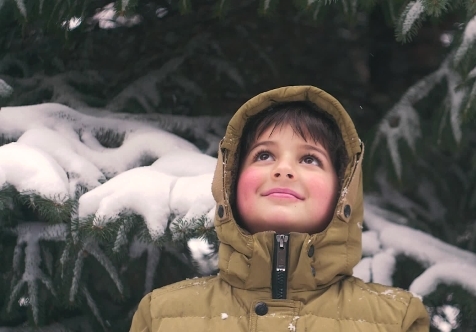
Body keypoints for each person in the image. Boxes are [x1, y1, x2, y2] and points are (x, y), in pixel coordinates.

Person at [129, 86, 430, 331]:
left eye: (309, 159)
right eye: (264, 156)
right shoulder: (161, 316)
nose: (283, 169)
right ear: (231, 182)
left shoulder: (396, 320)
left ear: (343, 193)